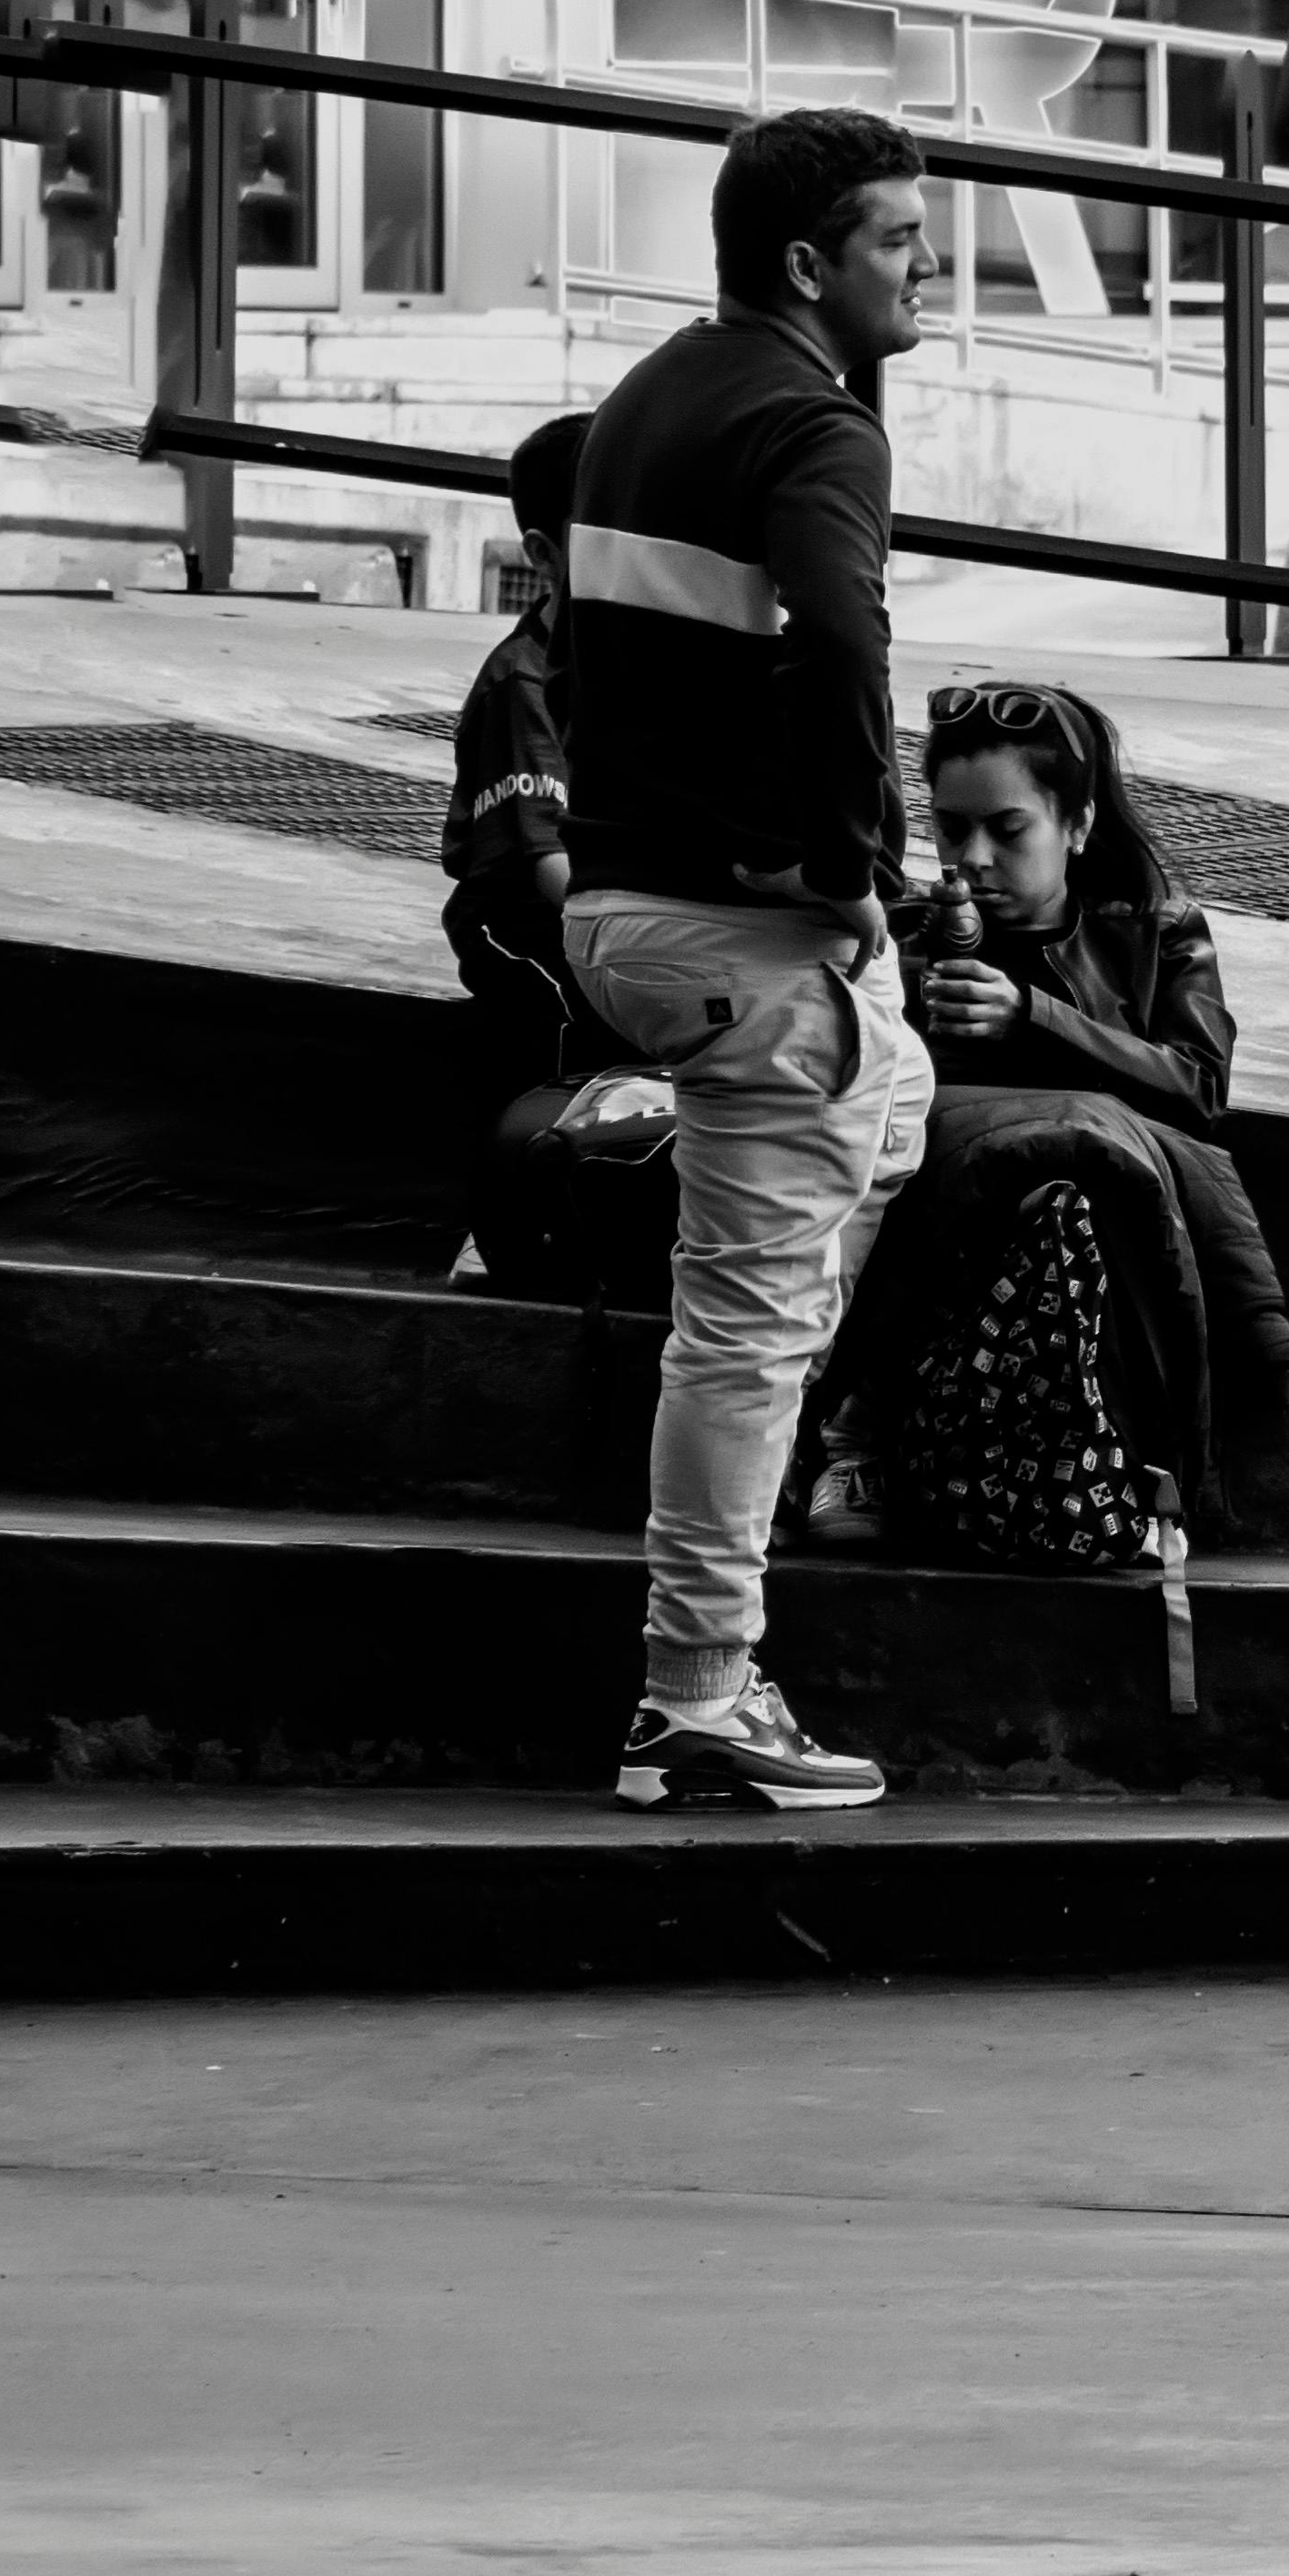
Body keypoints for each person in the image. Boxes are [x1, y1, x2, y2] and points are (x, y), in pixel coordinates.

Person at [552, 106, 939, 1813]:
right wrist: (860, 861)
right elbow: (843, 642)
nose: (931, 265)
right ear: (810, 262)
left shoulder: (648, 394)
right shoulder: (818, 422)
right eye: (901, 239)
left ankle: (768, 1405)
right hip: (751, 934)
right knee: (745, 1323)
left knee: (901, 1095)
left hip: (624, 913)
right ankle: (694, 1691)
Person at [800, 680, 1289, 1547]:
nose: (976, 858)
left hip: (1102, 1245)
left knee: (1076, 1178)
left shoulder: (1156, 932)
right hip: (940, 1237)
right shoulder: (908, 932)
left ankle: (1118, 1456)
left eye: (1009, 829)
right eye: (953, 830)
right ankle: (865, 1432)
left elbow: (1198, 1089)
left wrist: (1036, 1017)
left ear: (1077, 824)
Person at [433, 410, 627, 1101]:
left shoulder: (636, 661)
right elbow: (550, 866)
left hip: (615, 906)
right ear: (545, 557)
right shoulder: (523, 683)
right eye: (612, 540)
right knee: (573, 1017)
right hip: (522, 919)